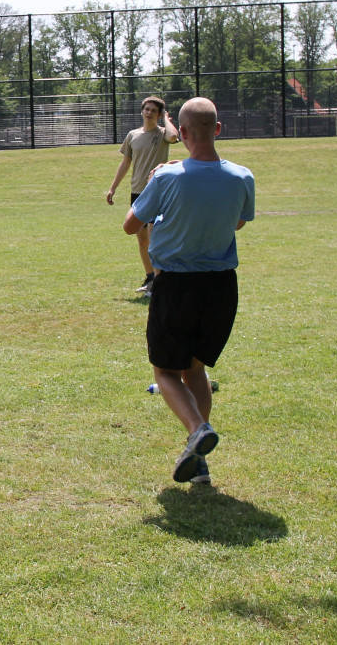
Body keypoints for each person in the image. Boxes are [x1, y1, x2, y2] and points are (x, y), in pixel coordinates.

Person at [123, 97, 254, 485]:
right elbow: (239, 223)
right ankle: (199, 461)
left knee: (165, 372)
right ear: (217, 129)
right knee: (194, 369)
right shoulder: (243, 176)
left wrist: (153, 186)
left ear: (180, 133)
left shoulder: (166, 177)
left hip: (177, 285)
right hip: (221, 289)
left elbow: (132, 226)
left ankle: (198, 430)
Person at [107, 97, 178, 295]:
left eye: (154, 110)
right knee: (141, 237)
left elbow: (174, 137)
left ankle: (160, 280)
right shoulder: (132, 135)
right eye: (146, 109)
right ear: (142, 111)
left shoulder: (163, 133)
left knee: (154, 237)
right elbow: (125, 163)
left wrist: (166, 119)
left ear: (159, 114)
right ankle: (150, 278)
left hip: (157, 190)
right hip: (138, 190)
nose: (149, 112)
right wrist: (113, 188)